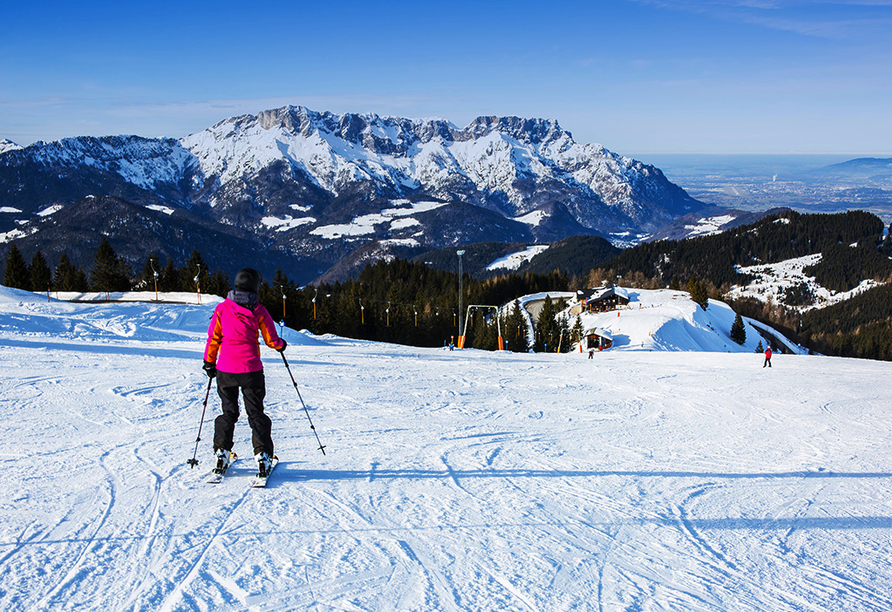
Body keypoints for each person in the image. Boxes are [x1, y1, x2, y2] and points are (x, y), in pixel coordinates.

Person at [203, 268, 286, 477]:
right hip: (251, 370)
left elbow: (213, 337)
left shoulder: (222, 309)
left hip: (225, 370)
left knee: (228, 412)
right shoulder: (258, 310)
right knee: (256, 413)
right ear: (255, 286)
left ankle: (222, 451)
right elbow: (271, 340)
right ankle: (263, 456)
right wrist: (280, 345)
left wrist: (209, 362)